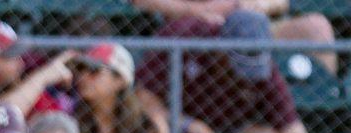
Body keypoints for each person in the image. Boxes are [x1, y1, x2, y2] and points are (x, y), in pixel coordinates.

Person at [136, 10, 315, 133]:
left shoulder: (265, 70)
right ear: (220, 46)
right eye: (239, 64)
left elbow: (293, 132)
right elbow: (142, 98)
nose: (246, 76)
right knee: (156, 127)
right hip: (175, 128)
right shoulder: (185, 36)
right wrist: (188, 125)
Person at [130, 0, 336, 74]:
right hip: (200, 29)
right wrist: (195, 10)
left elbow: (281, 2)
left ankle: (327, 99)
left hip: (256, 28)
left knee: (317, 26)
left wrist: (260, 4)